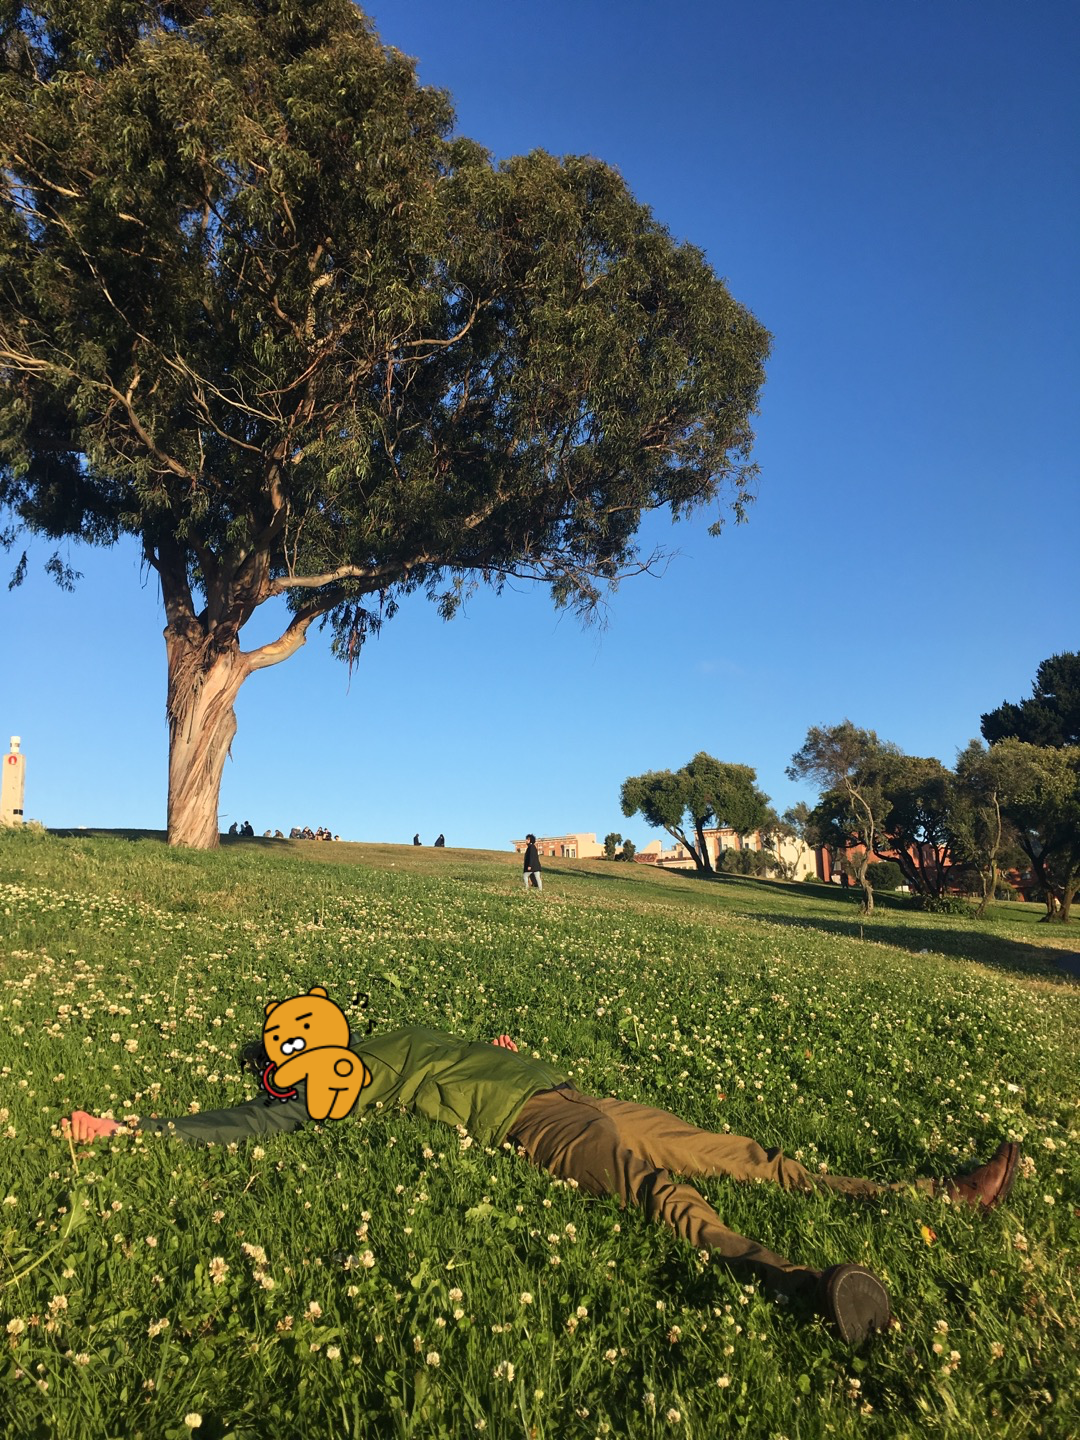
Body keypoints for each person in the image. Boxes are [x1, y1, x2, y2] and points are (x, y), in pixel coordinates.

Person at [63, 1025, 1020, 1345]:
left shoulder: (394, 1035)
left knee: (741, 1152)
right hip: (536, 1125)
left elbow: (467, 1054)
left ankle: (934, 1196)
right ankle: (797, 1279)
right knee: (656, 1194)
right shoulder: (339, 1086)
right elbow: (256, 1122)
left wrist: (507, 1048)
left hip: (566, 1091)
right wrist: (135, 1128)